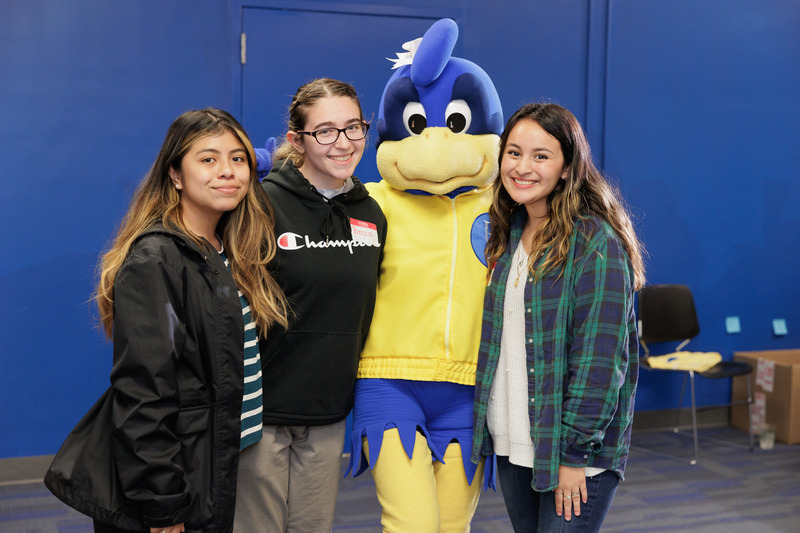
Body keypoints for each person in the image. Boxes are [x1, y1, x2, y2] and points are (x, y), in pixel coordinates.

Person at [44, 108, 289, 533]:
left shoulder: (224, 249)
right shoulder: (155, 259)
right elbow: (144, 393)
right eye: (208, 159)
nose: (227, 172)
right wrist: (164, 506)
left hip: (219, 462)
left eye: (238, 159)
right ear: (175, 174)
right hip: (178, 479)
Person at [471, 103, 645, 532]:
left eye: (540, 156)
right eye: (513, 153)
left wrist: (574, 456)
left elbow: (601, 363)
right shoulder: (507, 234)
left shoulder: (595, 242)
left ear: (567, 167)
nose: (522, 167)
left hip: (571, 452)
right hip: (516, 442)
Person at [232, 78, 386, 533]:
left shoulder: (371, 211)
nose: (343, 143)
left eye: (353, 127)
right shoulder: (260, 205)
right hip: (263, 411)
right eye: (325, 131)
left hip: (328, 411)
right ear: (297, 141)